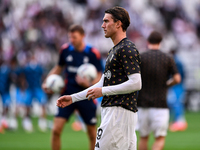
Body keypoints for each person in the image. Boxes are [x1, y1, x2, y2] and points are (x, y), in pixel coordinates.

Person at [56, 6, 142, 150]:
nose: (102, 25)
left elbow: (136, 83)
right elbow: (102, 83)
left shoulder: (127, 48)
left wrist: (103, 91)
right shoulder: (114, 50)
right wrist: (72, 98)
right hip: (116, 114)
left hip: (118, 114)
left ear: (118, 24)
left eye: (106, 21)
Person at [42, 24, 103, 150]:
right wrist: (47, 81)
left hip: (87, 96)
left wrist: (89, 84)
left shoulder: (92, 53)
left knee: (92, 134)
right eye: (70, 37)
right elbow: (58, 68)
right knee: (56, 130)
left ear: (82, 36)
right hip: (67, 94)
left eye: (74, 37)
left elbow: (99, 75)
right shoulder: (65, 50)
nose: (72, 40)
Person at [137, 31, 181, 150]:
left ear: (148, 42)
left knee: (143, 137)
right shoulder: (167, 57)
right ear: (160, 42)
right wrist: (166, 84)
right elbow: (177, 78)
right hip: (160, 104)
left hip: (142, 104)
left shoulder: (141, 57)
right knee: (160, 138)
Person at [22, 53, 47, 132]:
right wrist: (23, 87)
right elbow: (23, 77)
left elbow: (43, 76)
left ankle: (42, 122)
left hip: (38, 88)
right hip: (29, 88)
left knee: (43, 104)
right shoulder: (27, 68)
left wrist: (44, 85)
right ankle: (27, 122)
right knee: (27, 106)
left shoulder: (39, 67)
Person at [167, 49, 187, 132]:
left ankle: (178, 121)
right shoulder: (179, 61)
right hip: (178, 85)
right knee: (176, 103)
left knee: (175, 103)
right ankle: (177, 120)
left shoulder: (175, 62)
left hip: (175, 85)